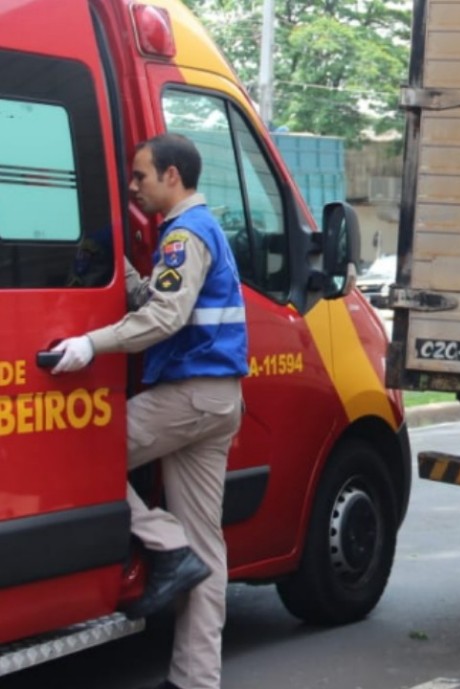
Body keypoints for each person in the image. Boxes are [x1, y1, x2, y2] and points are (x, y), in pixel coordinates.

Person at [50, 133, 248, 689]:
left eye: (140, 176)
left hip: (188, 395)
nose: (133, 186)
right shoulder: (196, 230)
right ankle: (195, 680)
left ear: (173, 177)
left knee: (83, 454)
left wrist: (91, 343)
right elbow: (168, 302)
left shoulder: (184, 234)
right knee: (210, 550)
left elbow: (165, 320)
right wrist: (126, 279)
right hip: (216, 399)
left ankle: (165, 542)